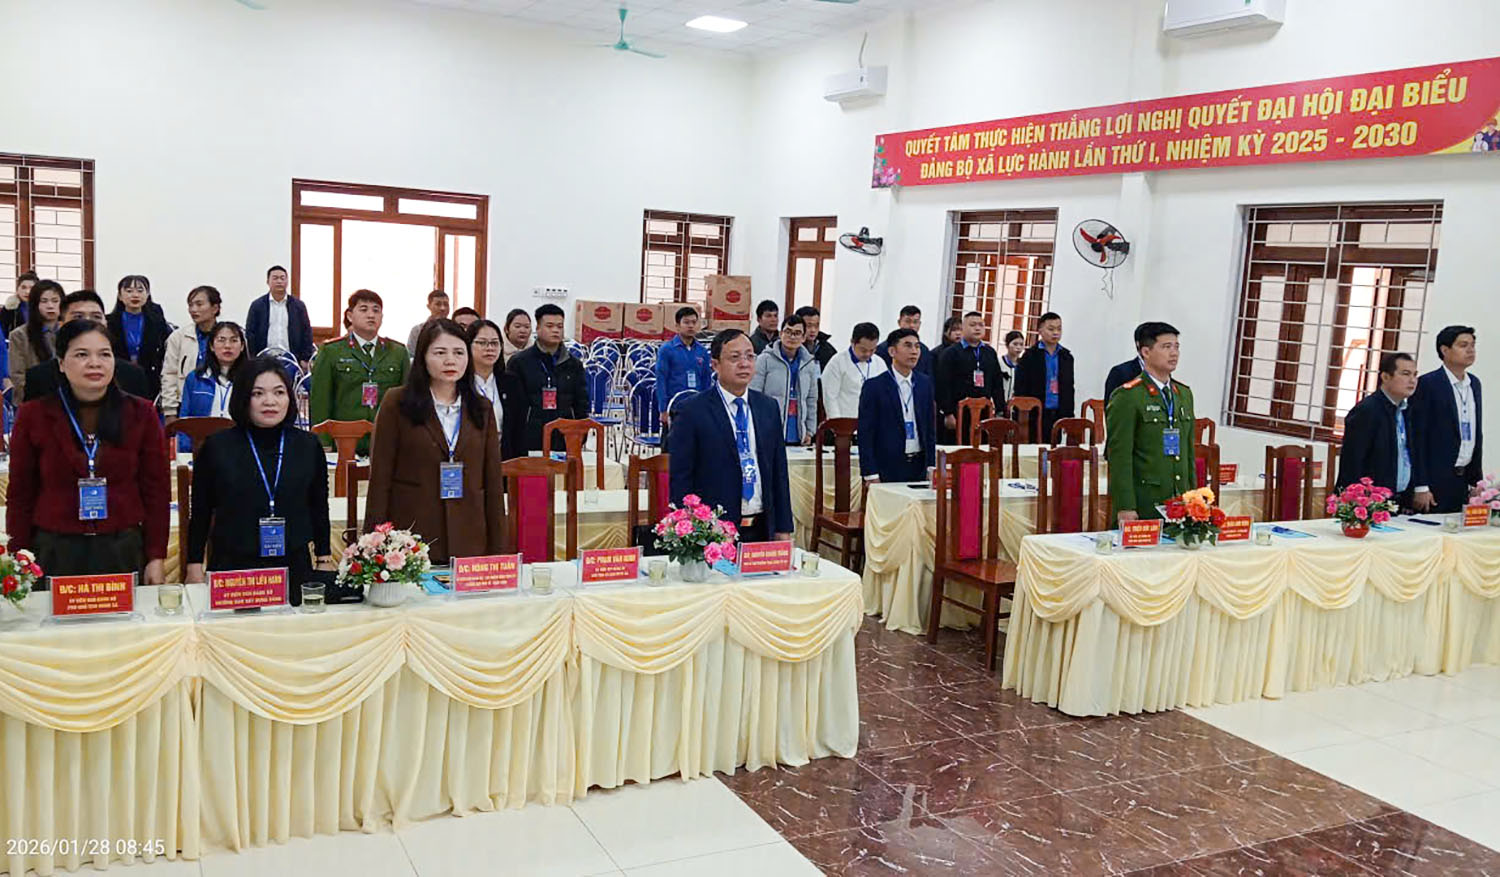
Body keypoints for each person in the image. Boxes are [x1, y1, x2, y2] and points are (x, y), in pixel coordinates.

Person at [6, 318, 169, 583]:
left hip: (122, 546)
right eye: (82, 354)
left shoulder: (141, 413)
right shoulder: (33, 415)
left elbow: (156, 491)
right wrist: (19, 558)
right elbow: (20, 494)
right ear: (61, 363)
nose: (95, 363)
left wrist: (156, 556)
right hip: (54, 548)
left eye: (104, 354)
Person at [184, 357, 335, 591]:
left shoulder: (307, 446)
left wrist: (323, 557)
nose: (270, 402)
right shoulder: (217, 446)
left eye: (279, 392)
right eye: (258, 393)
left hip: (293, 565)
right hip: (233, 567)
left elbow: (318, 506)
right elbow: (201, 511)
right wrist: (194, 563)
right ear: (243, 397)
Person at [365, 319, 504, 564]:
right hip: (411, 539)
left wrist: (499, 552)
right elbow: (380, 479)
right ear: (422, 357)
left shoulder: (481, 408)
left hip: (470, 537)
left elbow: (492, 482)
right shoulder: (397, 403)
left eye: (459, 352)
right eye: (440, 353)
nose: (450, 361)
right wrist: (374, 547)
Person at [668, 329, 793, 543]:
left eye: (750, 356)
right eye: (735, 357)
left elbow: (779, 471)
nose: (744, 364)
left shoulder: (768, 407)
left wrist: (783, 527)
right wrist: (688, 531)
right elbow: (681, 478)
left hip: (762, 526)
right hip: (712, 531)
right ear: (715, 365)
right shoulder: (692, 411)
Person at [1106, 322, 1196, 524]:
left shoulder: (1183, 395)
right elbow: (1120, 456)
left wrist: (1192, 498)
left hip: (1179, 502)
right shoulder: (1128, 396)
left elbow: (1189, 453)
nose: (1174, 353)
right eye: (1166, 347)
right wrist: (1125, 506)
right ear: (1146, 352)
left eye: (1176, 346)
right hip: (1145, 501)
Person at [308, 289, 409, 455]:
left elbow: (406, 400)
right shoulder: (331, 351)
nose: (371, 315)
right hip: (343, 441)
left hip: (386, 440)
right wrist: (323, 444)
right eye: (364, 309)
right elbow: (320, 400)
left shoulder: (397, 352)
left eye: (376, 310)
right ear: (350, 316)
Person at [25, 291, 153, 402]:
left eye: (96, 317)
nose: (88, 322)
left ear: (105, 323)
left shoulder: (133, 375)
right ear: (61, 325)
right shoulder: (39, 377)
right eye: (78, 317)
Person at [1411, 325, 1482, 513]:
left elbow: (1476, 433)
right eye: (1463, 345)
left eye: (1473, 345)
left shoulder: (1474, 384)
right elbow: (1418, 437)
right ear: (1445, 350)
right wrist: (1421, 485)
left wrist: (1476, 481)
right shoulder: (1428, 384)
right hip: (1433, 481)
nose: (1470, 350)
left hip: (1462, 479)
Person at [1337, 352, 1421, 507]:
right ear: (1386, 377)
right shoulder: (1367, 411)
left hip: (1400, 500)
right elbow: (1353, 462)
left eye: (1415, 375)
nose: (1412, 380)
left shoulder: (1407, 411)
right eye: (1405, 374)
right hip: (1370, 502)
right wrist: (1357, 502)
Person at [508, 303, 588, 453]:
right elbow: (512, 407)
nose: (555, 330)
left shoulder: (574, 365)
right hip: (529, 439)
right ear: (538, 328)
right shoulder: (519, 362)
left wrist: (580, 435)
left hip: (564, 438)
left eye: (560, 326)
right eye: (549, 326)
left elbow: (581, 403)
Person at [859, 328, 935, 483]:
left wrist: (931, 466)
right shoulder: (874, 386)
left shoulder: (924, 383)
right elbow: (866, 433)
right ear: (892, 351)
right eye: (907, 345)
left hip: (919, 465)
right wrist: (870, 473)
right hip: (887, 466)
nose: (914, 351)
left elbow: (930, 428)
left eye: (917, 346)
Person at [174, 322, 248, 450]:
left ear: (242, 346)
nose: (227, 346)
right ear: (211, 346)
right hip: (204, 448)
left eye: (234, 340)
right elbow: (185, 420)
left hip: (240, 448)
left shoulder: (251, 379)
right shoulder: (195, 378)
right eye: (221, 340)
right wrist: (185, 452)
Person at [934, 311, 1004, 444]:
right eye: (973, 325)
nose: (977, 328)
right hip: (958, 412)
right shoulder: (950, 353)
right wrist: (948, 413)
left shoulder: (989, 352)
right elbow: (943, 385)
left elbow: (997, 383)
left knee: (981, 448)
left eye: (981, 325)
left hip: (983, 412)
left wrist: (1000, 410)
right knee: (958, 448)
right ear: (963, 328)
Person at [750, 312, 819, 446]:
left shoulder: (808, 363)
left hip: (797, 429)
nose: (792, 337)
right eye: (788, 332)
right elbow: (754, 395)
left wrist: (810, 431)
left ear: (803, 337)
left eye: (797, 333)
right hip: (769, 429)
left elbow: (811, 399)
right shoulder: (764, 360)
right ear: (781, 334)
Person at [161, 285, 223, 424]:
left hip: (219, 402)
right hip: (185, 403)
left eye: (199, 304)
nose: (193, 310)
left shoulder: (228, 337)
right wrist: (170, 411)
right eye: (190, 305)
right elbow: (169, 374)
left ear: (215, 308)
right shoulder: (178, 337)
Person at [466, 318, 525, 460]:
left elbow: (518, 428)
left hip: (503, 458)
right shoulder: (460, 383)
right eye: (482, 343)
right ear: (468, 345)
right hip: (469, 459)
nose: (489, 348)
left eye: (494, 343)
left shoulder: (511, 383)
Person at [106, 275, 171, 402]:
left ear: (148, 294)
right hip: (118, 378)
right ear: (120, 296)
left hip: (149, 380)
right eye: (129, 291)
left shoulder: (157, 321)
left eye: (140, 290)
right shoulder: (109, 322)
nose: (135, 295)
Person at [1013, 312, 1075, 442]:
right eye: (1051, 329)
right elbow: (1020, 387)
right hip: (1035, 414)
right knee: (1035, 449)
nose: (1055, 333)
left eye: (1059, 329)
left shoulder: (1066, 357)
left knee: (1054, 448)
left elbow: (1069, 388)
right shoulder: (1030, 356)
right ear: (1040, 330)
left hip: (1058, 413)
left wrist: (1069, 416)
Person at [245, 265, 315, 369]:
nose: (279, 281)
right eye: (275, 278)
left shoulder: (298, 306)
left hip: (292, 359)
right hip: (264, 359)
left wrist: (305, 358)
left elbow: (306, 333)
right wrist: (253, 358)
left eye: (282, 278)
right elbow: (250, 333)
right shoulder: (257, 305)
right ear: (268, 281)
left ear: (287, 281)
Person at [7, 278, 62, 399]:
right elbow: (17, 375)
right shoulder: (19, 335)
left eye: (55, 301)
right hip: (33, 399)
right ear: (35, 304)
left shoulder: (69, 332)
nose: (50, 306)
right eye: (44, 301)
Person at [655, 306, 712, 420]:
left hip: (697, 405)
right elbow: (661, 380)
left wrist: (706, 405)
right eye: (686, 322)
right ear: (677, 326)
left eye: (694, 322)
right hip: (674, 406)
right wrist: (663, 409)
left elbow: (706, 380)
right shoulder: (666, 350)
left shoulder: (702, 351)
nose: (691, 326)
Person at [821, 322, 886, 419]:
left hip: (873, 421)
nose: (868, 354)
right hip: (847, 421)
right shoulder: (837, 362)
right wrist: (837, 423)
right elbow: (830, 398)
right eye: (863, 350)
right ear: (852, 342)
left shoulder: (880, 363)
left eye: (872, 350)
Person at [875, 306, 935, 376]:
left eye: (915, 322)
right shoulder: (883, 348)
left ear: (919, 324)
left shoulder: (924, 350)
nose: (911, 325)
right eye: (907, 321)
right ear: (899, 322)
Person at [1104, 325, 1148, 402]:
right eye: (1165, 346)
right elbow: (1112, 407)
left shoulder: (1165, 374)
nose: (1169, 352)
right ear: (1139, 345)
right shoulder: (1120, 373)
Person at [796, 305, 836, 372]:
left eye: (816, 326)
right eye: (809, 326)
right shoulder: (790, 347)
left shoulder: (828, 350)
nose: (813, 330)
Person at [1, 271, 38, 337]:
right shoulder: (10, 308)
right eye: (23, 287)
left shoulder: (42, 307)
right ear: (17, 289)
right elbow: (2, 332)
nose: (27, 292)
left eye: (31, 288)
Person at [997, 330, 1024, 404]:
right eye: (1015, 344)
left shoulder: (1023, 365)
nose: (1018, 347)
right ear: (1007, 345)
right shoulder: (999, 362)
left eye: (1021, 344)